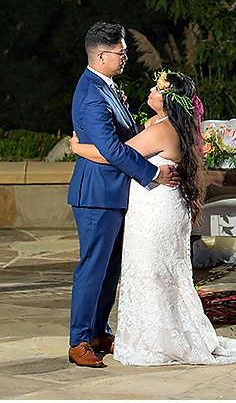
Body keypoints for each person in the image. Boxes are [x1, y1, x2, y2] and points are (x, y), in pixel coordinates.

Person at [71, 70, 236, 365]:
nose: (150, 90)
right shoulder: (162, 123)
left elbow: (116, 154)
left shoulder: (162, 130)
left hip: (156, 210)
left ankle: (158, 337)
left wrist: (77, 148)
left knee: (152, 272)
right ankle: (146, 331)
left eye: (156, 88)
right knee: (156, 272)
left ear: (168, 100)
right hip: (153, 207)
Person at [67, 22, 179, 368]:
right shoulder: (90, 94)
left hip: (114, 193)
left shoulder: (107, 87)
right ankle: (79, 341)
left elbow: (125, 137)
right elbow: (113, 150)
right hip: (96, 195)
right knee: (92, 268)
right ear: (101, 56)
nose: (125, 57)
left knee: (110, 268)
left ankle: (100, 330)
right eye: (120, 52)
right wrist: (153, 173)